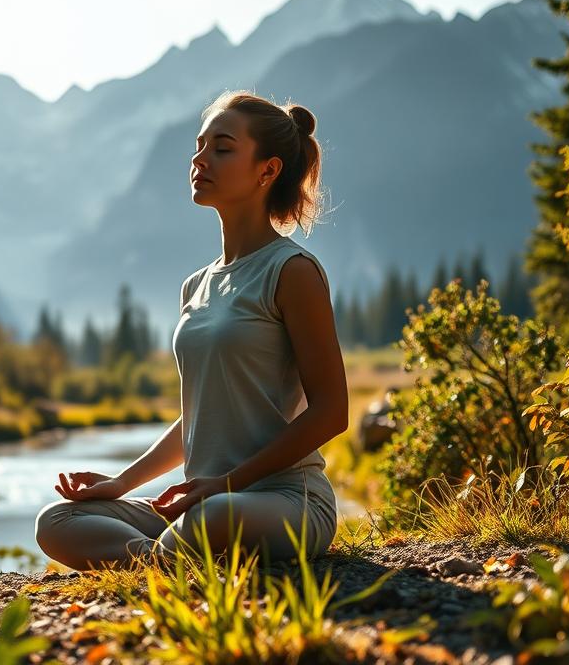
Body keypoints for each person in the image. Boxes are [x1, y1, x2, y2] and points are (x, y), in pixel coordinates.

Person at [34, 90, 349, 572]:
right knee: (56, 521)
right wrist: (121, 484)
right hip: (203, 499)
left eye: (222, 148)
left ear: (268, 170)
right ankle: (161, 562)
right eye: (200, 146)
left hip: (283, 500)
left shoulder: (292, 271)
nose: (201, 159)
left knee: (212, 519)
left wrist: (226, 484)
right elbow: (198, 417)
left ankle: (163, 559)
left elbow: (332, 412)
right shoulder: (195, 286)